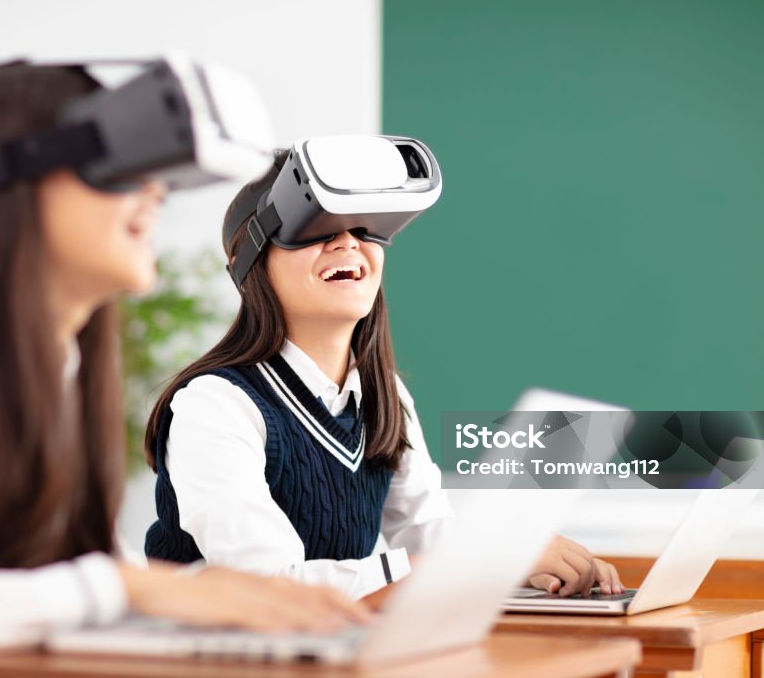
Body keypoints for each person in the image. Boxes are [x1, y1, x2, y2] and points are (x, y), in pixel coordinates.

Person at [0, 62, 367, 677]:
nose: (155, 194)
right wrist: (121, 588)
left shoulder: (64, 370)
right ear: (14, 184)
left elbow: (57, 601)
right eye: (118, 170)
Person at [144, 149, 625, 601]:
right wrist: (474, 561)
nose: (347, 242)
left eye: (363, 227)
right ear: (250, 263)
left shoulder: (384, 396)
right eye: (313, 227)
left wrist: (521, 560)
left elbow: (429, 531)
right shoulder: (215, 405)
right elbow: (270, 588)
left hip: (337, 655)